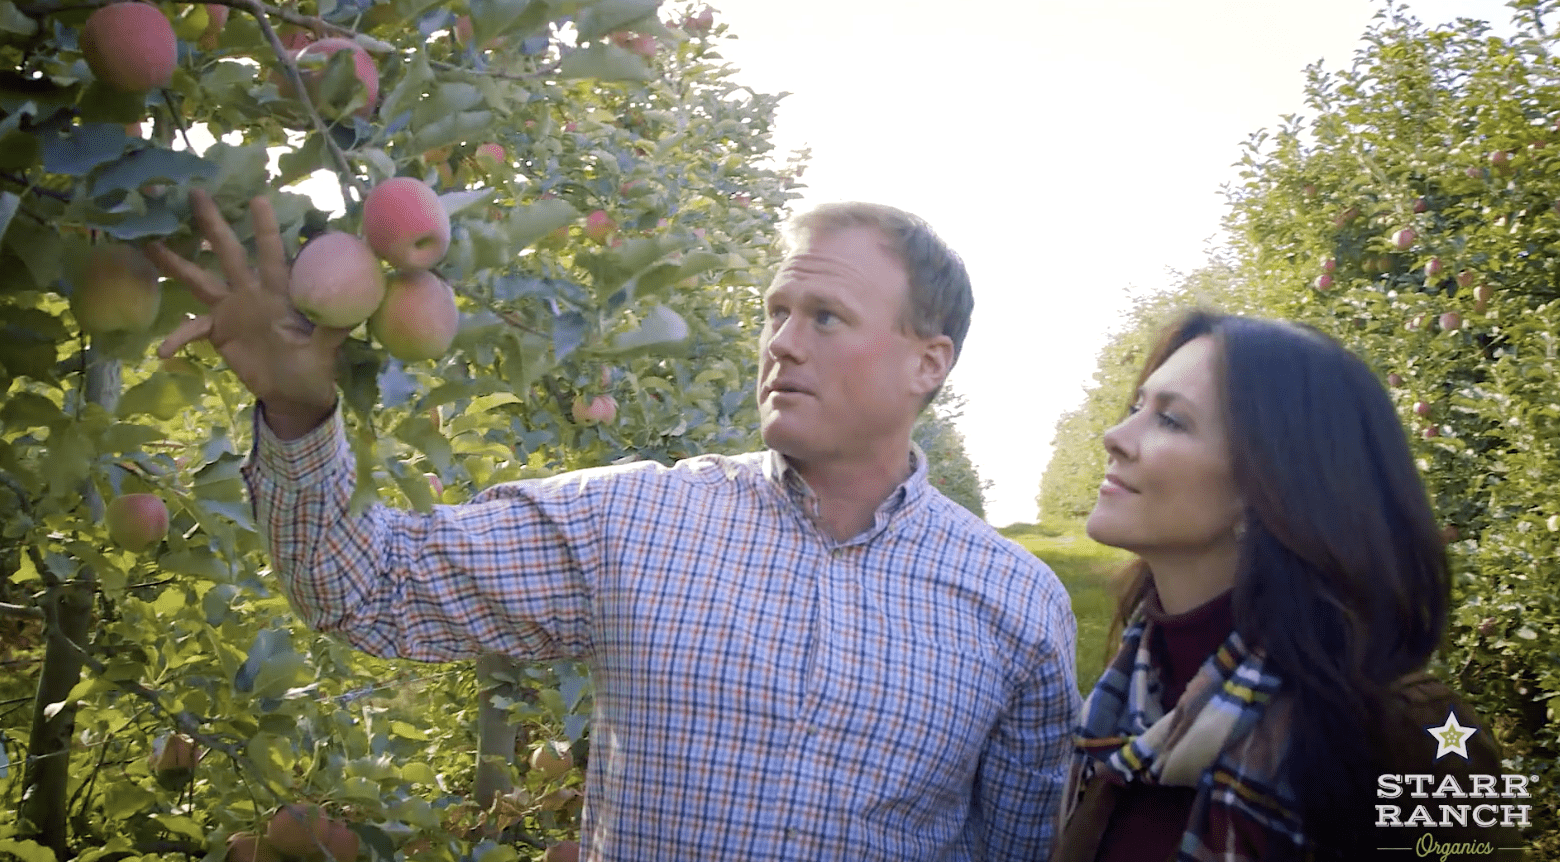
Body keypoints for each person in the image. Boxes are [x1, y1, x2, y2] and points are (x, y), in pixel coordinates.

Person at [146, 191, 1080, 860]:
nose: (783, 341)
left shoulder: (1013, 601)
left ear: (929, 363)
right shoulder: (635, 521)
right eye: (776, 312)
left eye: (826, 316)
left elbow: (1017, 847)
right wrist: (302, 415)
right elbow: (370, 588)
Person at [1050, 310, 1527, 861]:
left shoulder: (1411, 737)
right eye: (1137, 408)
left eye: (1171, 421)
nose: (1114, 436)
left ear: (1269, 484)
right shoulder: (1128, 701)